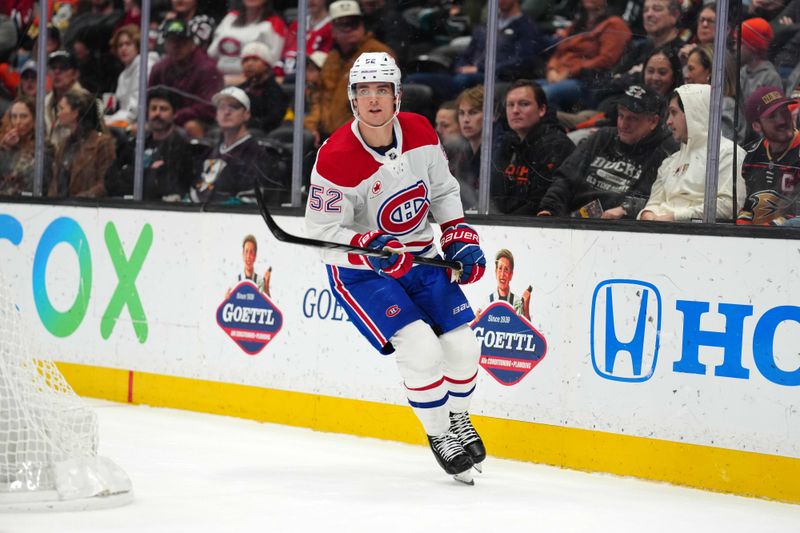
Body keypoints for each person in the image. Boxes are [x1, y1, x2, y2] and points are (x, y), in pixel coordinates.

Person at [304, 52, 488, 483]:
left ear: (397, 95)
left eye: (382, 90)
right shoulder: (334, 157)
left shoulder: (421, 130)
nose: (373, 99)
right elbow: (322, 233)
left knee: (464, 349)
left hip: (419, 256)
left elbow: (442, 190)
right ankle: (441, 433)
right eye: (364, 91)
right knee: (422, 349)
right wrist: (367, 244)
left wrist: (459, 235)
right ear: (352, 99)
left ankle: (458, 418)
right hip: (363, 271)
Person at [538, 84, 678, 218]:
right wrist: (548, 210)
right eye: (621, 115)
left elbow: (653, 199)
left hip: (621, 230)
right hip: (570, 221)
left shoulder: (665, 151)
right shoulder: (603, 136)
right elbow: (565, 178)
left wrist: (627, 210)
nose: (623, 125)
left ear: (653, 121)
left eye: (632, 118)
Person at [639, 84, 746, 221]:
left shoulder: (729, 154)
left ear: (693, 112)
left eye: (674, 112)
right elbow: (653, 204)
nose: (668, 122)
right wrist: (647, 214)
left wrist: (674, 217)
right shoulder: (670, 161)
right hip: (659, 232)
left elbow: (728, 206)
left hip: (701, 236)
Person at [405, 0, 546, 103]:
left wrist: (480, 68)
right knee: (414, 79)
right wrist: (460, 67)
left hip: (494, 77)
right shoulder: (486, 25)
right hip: (463, 77)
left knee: (464, 80)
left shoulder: (526, 26)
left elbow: (523, 61)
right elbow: (467, 53)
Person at [304, 0, 394, 145]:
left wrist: (353, 133)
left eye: (354, 23)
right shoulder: (331, 58)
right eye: (342, 24)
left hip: (362, 137)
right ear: (333, 29)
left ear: (362, 25)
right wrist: (311, 126)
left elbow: (380, 102)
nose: (349, 29)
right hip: (328, 138)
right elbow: (319, 96)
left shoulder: (378, 53)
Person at [492, 79, 575, 215]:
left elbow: (542, 202)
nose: (515, 110)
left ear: (541, 109)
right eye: (510, 105)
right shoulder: (506, 143)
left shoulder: (557, 146)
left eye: (524, 104)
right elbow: (493, 195)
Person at [190, 86, 285, 204]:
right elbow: (195, 192)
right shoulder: (209, 153)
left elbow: (249, 202)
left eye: (233, 107)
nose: (226, 112)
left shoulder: (258, 154)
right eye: (221, 107)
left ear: (246, 114)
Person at [538, 0, 632, 111]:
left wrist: (570, 72)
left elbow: (607, 60)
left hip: (586, 81)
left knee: (544, 94)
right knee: (523, 91)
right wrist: (552, 69)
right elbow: (559, 51)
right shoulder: (579, 23)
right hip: (559, 76)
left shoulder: (615, 24)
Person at [113, 86, 195, 200]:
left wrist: (132, 173)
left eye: (163, 109)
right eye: (153, 108)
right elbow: (112, 179)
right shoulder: (137, 143)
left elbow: (167, 186)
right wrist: (151, 172)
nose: (157, 113)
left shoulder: (181, 147)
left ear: (174, 114)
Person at [148, 18, 224, 139]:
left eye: (181, 41)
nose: (176, 46)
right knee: (139, 127)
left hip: (200, 121)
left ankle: (200, 156)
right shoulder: (159, 68)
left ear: (192, 44)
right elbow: (148, 98)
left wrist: (176, 115)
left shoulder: (207, 69)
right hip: (164, 116)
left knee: (191, 126)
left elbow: (210, 107)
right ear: (165, 44)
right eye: (172, 41)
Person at [737, 86, 800, 225]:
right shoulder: (751, 155)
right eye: (772, 116)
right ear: (756, 126)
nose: (783, 120)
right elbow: (748, 207)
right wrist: (742, 228)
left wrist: (770, 229)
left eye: (785, 112)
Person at [47, 86, 116, 198]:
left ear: (75, 113)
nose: (58, 114)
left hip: (88, 210)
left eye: (61, 109)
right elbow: (55, 183)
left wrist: (81, 200)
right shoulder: (64, 144)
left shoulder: (102, 144)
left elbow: (106, 184)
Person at [207, 0, 287, 86]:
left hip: (252, 85)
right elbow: (211, 53)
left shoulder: (275, 23)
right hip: (216, 80)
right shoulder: (230, 17)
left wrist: (245, 80)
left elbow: (273, 63)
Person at [104, 24, 158, 128]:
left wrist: (110, 121)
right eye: (120, 45)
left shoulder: (145, 66)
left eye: (128, 44)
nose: (123, 49)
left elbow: (135, 111)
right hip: (126, 121)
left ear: (137, 46)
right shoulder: (123, 75)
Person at [0, 96, 53, 196]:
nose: (18, 122)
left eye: (23, 116)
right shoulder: (5, 146)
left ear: (34, 120)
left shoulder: (44, 149)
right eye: (14, 117)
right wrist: (3, 146)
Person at [238, 41, 288, 135]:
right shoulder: (240, 89)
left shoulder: (275, 91)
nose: (249, 64)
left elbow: (273, 120)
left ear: (266, 65)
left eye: (255, 60)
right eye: (246, 60)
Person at [485, 249, 530, 321]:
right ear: (495, 272)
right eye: (500, 268)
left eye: (506, 269)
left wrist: (526, 307)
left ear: (511, 275)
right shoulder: (488, 302)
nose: (502, 274)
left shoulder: (517, 302)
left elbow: (527, 330)